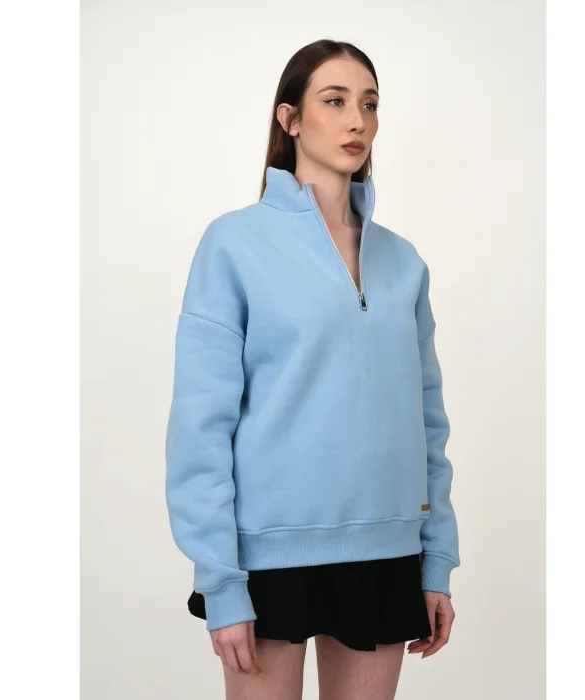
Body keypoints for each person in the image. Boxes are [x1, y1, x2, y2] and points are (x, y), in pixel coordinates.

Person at [165, 39, 460, 700]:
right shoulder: (233, 244)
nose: (357, 120)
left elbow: (427, 421)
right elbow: (200, 426)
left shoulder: (403, 261)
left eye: (370, 104)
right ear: (290, 119)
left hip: (387, 549)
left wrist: (436, 559)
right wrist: (220, 579)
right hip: (267, 556)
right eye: (335, 101)